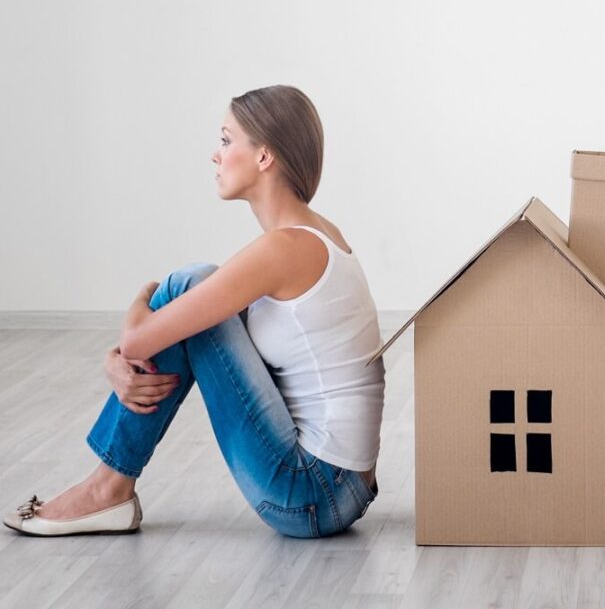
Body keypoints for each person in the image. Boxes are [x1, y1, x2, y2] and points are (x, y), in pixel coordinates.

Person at [4, 86, 385, 538]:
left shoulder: (285, 249)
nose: (215, 155)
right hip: (341, 488)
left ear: (264, 156)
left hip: (312, 494)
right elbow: (185, 328)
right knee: (193, 294)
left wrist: (135, 312)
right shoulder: (313, 234)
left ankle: (107, 488)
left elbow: (142, 339)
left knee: (189, 281)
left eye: (227, 140)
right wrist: (122, 352)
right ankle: (109, 488)